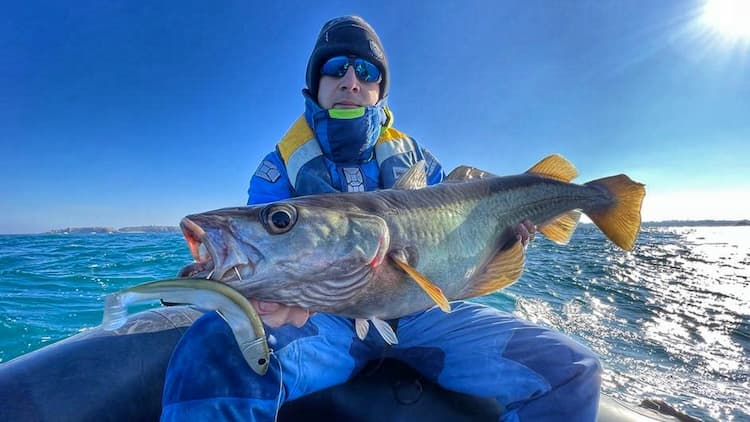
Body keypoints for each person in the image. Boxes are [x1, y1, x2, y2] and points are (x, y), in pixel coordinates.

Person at [161, 16, 601, 421]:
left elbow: (466, 241)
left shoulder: (418, 161)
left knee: (573, 370)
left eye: (366, 72)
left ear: (379, 90)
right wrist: (262, 299)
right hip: (326, 320)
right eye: (335, 68)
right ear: (314, 85)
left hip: (429, 314)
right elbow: (267, 267)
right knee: (214, 347)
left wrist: (507, 239)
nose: (351, 81)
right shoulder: (278, 171)